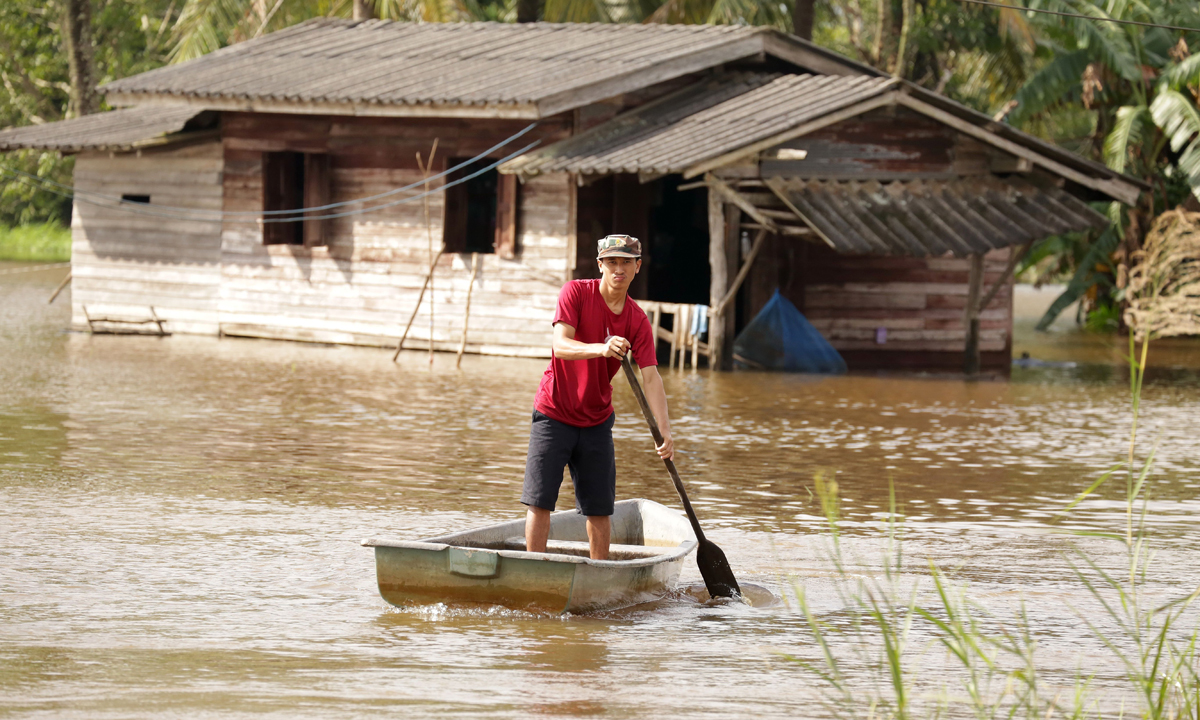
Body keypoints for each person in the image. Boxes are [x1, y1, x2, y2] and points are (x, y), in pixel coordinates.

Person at [521, 234, 674, 561]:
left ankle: (599, 573)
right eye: (612, 262)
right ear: (600, 265)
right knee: (539, 500)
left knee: (600, 509)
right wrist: (601, 348)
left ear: (637, 267)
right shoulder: (575, 292)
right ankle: (532, 568)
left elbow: (651, 377)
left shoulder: (636, 320)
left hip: (596, 420)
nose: (619, 269)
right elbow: (560, 345)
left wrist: (664, 430)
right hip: (554, 411)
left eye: (626, 262)